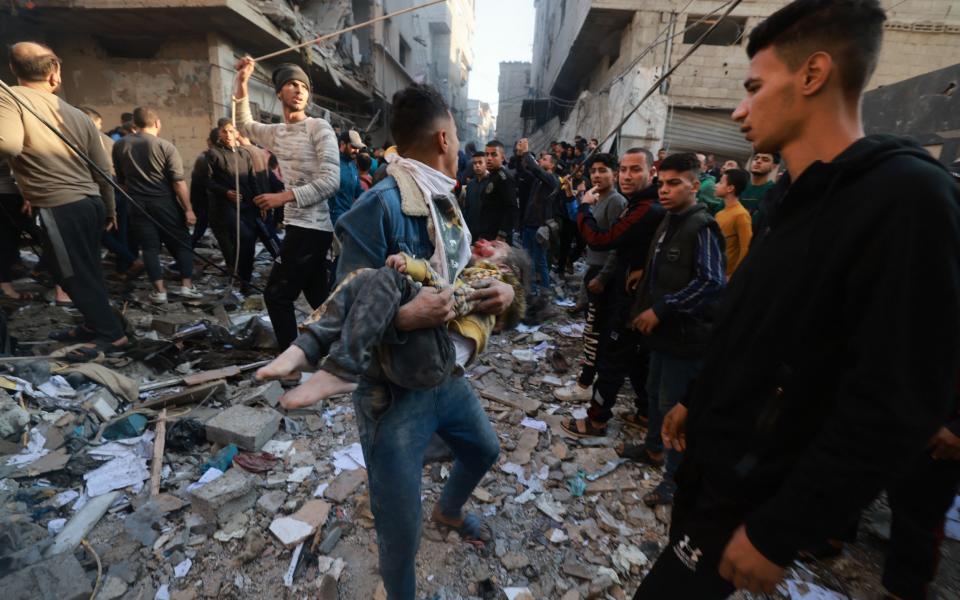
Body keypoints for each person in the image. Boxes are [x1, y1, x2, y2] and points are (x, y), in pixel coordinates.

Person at [635, 0, 960, 596]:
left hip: (760, 490)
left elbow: (897, 397)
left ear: (812, 75)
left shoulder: (907, 198)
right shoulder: (794, 196)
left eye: (755, 87)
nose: (738, 108)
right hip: (717, 460)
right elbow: (755, 327)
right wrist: (697, 403)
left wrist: (780, 531)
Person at [256, 83, 515, 600]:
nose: (461, 147)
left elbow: (462, 278)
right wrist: (407, 316)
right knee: (399, 531)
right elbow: (349, 299)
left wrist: (504, 291)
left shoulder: (444, 201)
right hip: (392, 395)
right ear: (444, 136)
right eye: (460, 137)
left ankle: (449, 508)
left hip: (446, 373)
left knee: (483, 450)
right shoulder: (382, 204)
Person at [275, 239, 529, 409]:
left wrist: (415, 269)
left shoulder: (491, 276)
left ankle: (326, 359)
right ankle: (308, 349)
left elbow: (452, 301)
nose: (482, 242)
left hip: (432, 361)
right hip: (419, 362)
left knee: (385, 278)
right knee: (369, 277)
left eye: (493, 246)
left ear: (505, 266)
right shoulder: (472, 272)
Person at [0, 42, 127, 352]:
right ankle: (98, 323)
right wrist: (110, 210)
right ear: (54, 72)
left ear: (14, 69)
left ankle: (111, 334)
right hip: (91, 203)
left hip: (60, 205)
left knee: (69, 274)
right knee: (88, 268)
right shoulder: (76, 113)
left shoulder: (9, 96)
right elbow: (103, 169)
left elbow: (8, 145)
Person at [624, 152, 725, 509]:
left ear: (695, 185)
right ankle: (653, 449)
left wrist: (662, 309)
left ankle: (675, 479)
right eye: (661, 183)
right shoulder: (670, 220)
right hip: (664, 335)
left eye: (674, 183)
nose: (664, 190)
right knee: (654, 392)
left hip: (686, 336)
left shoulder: (702, 226)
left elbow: (711, 283)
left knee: (673, 408)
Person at [234, 59, 340, 351]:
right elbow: (244, 124)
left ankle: (291, 362)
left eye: (304, 86)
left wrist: (284, 196)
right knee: (320, 298)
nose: (299, 90)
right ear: (279, 92)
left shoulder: (319, 127)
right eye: (292, 84)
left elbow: (331, 181)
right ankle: (346, 352)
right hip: (298, 225)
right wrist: (242, 82)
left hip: (312, 228)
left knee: (277, 296)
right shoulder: (277, 133)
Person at [560, 149, 665, 436]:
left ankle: (597, 419)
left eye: (635, 170)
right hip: (630, 290)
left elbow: (603, 241)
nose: (627, 176)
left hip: (632, 297)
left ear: (650, 173)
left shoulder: (645, 208)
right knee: (634, 358)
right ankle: (645, 413)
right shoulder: (637, 204)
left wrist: (583, 207)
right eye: (624, 169)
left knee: (613, 357)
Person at [554, 152, 627, 403]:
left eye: (603, 170)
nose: (596, 174)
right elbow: (583, 226)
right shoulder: (597, 198)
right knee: (592, 329)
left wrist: (603, 277)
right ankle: (589, 378)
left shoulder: (616, 202)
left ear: (614, 174)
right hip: (593, 268)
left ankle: (585, 383)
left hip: (603, 273)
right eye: (594, 170)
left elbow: (617, 245)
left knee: (595, 331)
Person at [112, 106, 199, 304]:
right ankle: (186, 286)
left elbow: (121, 181)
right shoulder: (165, 146)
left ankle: (159, 291)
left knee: (149, 248)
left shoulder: (120, 146)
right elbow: (178, 182)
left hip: (137, 205)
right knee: (183, 242)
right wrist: (188, 209)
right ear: (157, 123)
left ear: (134, 125)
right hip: (164, 203)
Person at [79, 105, 140, 278]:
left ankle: (130, 261)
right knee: (119, 230)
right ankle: (123, 268)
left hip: (102, 191)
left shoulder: (84, 141)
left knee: (98, 231)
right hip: (119, 189)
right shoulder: (111, 141)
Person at [516, 139, 559, 295]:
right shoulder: (538, 180)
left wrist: (527, 152)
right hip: (529, 225)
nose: (541, 160)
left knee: (538, 261)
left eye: (544, 159)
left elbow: (536, 170)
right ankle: (531, 289)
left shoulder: (552, 179)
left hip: (539, 227)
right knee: (528, 260)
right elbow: (526, 171)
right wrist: (521, 155)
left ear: (552, 165)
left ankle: (542, 292)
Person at [473, 140, 518, 243]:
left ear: (502, 158)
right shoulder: (492, 176)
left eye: (494, 155)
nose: (489, 158)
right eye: (486, 154)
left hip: (496, 237)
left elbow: (511, 208)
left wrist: (502, 234)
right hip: (487, 233)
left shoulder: (505, 178)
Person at [714, 168, 752, 278]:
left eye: (721, 182)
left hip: (726, 275)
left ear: (730, 188)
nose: (716, 185)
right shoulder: (720, 213)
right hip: (714, 271)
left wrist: (734, 276)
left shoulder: (741, 214)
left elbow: (746, 248)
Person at [330, 130, 363, 226]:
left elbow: (358, 191)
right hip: (332, 221)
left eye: (358, 148)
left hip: (347, 219)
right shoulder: (333, 163)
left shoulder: (352, 164)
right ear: (342, 144)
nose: (357, 151)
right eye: (353, 147)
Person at [739, 152, 780, 216]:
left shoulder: (774, 191)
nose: (758, 161)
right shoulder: (739, 186)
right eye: (756, 158)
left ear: (773, 166)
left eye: (765, 160)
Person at [462, 151, 487, 235]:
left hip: (486, 232)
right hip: (471, 230)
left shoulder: (492, 182)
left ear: (486, 164)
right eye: (475, 163)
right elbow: (467, 207)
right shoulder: (470, 184)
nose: (477, 165)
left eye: (480, 162)